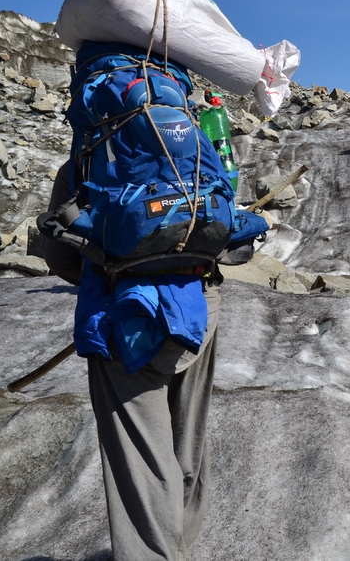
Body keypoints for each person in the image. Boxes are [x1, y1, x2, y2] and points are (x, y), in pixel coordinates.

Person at [43, 160, 221, 561]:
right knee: (187, 439)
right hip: (198, 306)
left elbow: (60, 257)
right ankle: (182, 546)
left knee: (142, 459)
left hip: (123, 315)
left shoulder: (83, 161)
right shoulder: (190, 144)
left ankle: (156, 553)